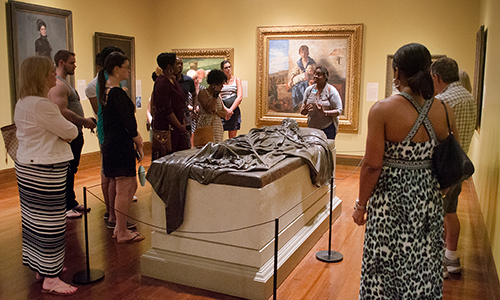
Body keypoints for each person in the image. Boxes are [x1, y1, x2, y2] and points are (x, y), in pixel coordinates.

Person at [352, 43, 458, 299]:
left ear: (397, 72)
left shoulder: (383, 110)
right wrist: (437, 190)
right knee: (423, 258)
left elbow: (372, 165)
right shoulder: (444, 110)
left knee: (385, 260)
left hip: (391, 200)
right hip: (427, 199)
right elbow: (450, 162)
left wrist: (361, 204)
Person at [15, 55, 78, 295]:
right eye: (51, 72)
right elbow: (70, 130)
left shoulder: (24, 102)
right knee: (51, 223)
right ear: (40, 76)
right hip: (44, 170)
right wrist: (62, 132)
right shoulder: (41, 105)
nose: (55, 75)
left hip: (28, 166)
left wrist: (58, 132)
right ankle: (51, 278)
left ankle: (41, 267)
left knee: (33, 221)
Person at [431, 57, 477, 278]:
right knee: (451, 212)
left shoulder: (442, 100)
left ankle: (438, 265)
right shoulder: (469, 97)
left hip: (443, 169)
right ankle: (451, 257)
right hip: (460, 165)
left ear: (437, 77)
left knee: (436, 216)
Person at [98, 51, 144, 243]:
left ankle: (119, 227)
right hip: (119, 144)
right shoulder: (116, 93)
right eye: (126, 67)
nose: (128, 71)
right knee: (125, 187)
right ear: (116, 69)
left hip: (112, 143)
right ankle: (122, 231)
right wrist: (138, 140)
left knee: (127, 185)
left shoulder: (107, 91)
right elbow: (128, 122)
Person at [48, 50, 96, 218]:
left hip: (75, 133)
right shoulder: (58, 84)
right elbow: (62, 111)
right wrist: (84, 121)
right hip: (67, 135)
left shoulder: (65, 84)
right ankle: (65, 206)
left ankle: (71, 201)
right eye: (71, 63)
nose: (74, 65)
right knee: (66, 170)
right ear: (61, 63)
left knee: (72, 169)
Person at [151, 53, 190, 160]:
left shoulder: (173, 80)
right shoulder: (162, 82)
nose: (179, 66)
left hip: (177, 126)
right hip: (168, 128)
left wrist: (182, 123)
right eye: (176, 64)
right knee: (168, 157)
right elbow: (166, 109)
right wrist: (179, 125)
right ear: (169, 67)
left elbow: (179, 103)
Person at [300, 66, 343, 139]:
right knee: (313, 149)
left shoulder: (331, 90)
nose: (316, 76)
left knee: (326, 149)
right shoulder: (309, 90)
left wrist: (325, 112)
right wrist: (305, 111)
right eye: (315, 74)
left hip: (327, 129)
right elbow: (302, 111)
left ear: (325, 77)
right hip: (312, 128)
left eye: (319, 75)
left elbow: (338, 111)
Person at [195, 69, 231, 145]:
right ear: (214, 83)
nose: (222, 86)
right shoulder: (203, 93)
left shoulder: (218, 97)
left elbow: (223, 114)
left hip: (217, 126)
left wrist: (215, 111)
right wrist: (214, 95)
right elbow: (209, 108)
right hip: (205, 125)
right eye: (220, 83)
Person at [175, 57, 196, 144]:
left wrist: (194, 109)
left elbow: (194, 94)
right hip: (173, 113)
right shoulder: (168, 80)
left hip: (185, 112)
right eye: (177, 64)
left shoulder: (188, 80)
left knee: (187, 139)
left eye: (181, 64)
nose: (180, 66)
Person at [220, 60, 243, 139]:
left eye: (229, 67)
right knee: (219, 135)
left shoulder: (237, 80)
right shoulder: (220, 81)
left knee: (232, 138)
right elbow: (218, 96)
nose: (228, 69)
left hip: (234, 111)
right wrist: (225, 109)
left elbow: (239, 97)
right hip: (222, 111)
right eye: (226, 68)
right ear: (222, 70)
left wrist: (230, 111)